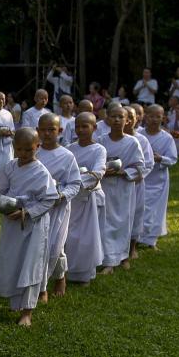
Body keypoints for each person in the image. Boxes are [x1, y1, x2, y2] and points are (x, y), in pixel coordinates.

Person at [0, 128, 58, 327]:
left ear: (37, 147)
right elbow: (1, 191)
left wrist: (27, 212)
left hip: (34, 225)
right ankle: (15, 301)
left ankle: (27, 311)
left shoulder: (41, 172)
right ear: (14, 148)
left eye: (28, 150)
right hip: (12, 222)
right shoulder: (10, 167)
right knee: (12, 261)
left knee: (31, 265)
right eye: (19, 149)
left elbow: (50, 200)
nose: (23, 154)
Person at [35, 114, 81, 299]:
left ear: (60, 131)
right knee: (38, 248)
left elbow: (75, 183)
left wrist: (61, 195)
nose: (46, 133)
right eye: (43, 130)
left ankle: (60, 275)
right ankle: (41, 288)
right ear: (37, 131)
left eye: (51, 129)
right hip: (37, 207)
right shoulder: (34, 152)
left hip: (58, 207)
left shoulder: (67, 156)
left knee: (55, 247)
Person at [97, 105, 145, 274]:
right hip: (105, 187)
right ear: (107, 119)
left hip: (124, 188)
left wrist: (122, 172)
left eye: (121, 117)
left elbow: (140, 167)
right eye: (113, 116)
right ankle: (108, 260)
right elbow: (95, 162)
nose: (117, 120)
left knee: (123, 222)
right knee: (105, 221)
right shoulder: (101, 140)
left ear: (128, 121)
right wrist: (103, 171)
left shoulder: (132, 142)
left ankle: (123, 256)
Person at [65, 113, 106, 285]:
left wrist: (75, 182)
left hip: (89, 196)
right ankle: (67, 271)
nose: (81, 130)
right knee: (70, 236)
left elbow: (98, 173)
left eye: (85, 126)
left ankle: (85, 274)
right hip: (72, 198)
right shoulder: (69, 149)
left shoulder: (99, 150)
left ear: (94, 128)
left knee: (88, 237)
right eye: (78, 126)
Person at [138, 105, 177, 249]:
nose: (154, 119)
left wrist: (160, 158)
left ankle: (151, 240)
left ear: (163, 118)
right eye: (151, 116)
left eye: (158, 116)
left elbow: (172, 159)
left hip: (159, 179)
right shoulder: (139, 135)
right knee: (140, 207)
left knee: (156, 210)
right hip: (141, 178)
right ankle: (136, 237)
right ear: (145, 117)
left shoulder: (167, 138)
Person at [124, 108, 153, 260]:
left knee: (136, 214)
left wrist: (133, 175)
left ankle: (132, 248)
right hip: (116, 184)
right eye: (125, 116)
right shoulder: (108, 139)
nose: (128, 120)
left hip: (136, 183)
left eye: (132, 117)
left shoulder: (142, 140)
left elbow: (148, 163)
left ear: (136, 120)